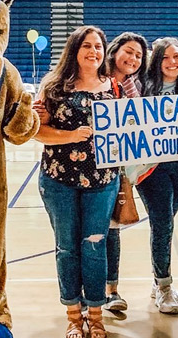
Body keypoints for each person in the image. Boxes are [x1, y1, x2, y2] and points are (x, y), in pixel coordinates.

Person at [35, 26, 118, 338]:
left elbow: (144, 119)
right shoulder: (54, 87)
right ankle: (73, 315)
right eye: (87, 45)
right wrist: (70, 136)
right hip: (59, 180)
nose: (94, 51)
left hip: (103, 180)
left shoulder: (115, 87)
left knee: (95, 247)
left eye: (98, 46)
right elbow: (37, 131)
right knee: (67, 248)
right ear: (74, 49)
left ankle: (96, 314)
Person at [137, 37, 178, 314]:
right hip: (151, 166)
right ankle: (164, 286)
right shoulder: (142, 87)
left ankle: (157, 278)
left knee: (166, 221)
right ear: (156, 61)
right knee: (162, 224)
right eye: (166, 57)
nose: (173, 62)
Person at [102, 32, 148, 313]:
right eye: (128, 52)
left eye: (138, 56)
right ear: (114, 51)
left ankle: (112, 290)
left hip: (117, 170)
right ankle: (85, 294)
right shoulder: (94, 79)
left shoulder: (135, 86)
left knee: (112, 230)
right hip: (85, 166)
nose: (132, 59)